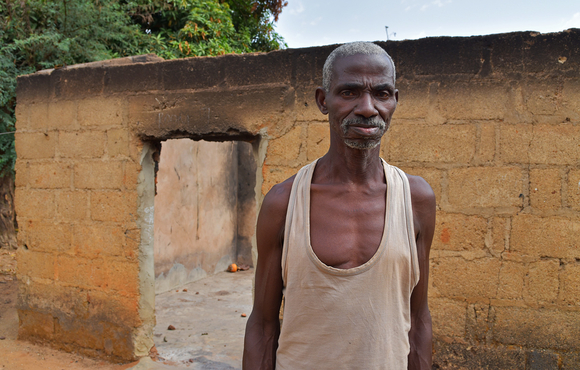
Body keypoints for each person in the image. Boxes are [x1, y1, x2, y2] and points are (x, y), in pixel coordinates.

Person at [243, 42, 435, 370]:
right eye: (349, 92)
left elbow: (417, 318)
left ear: (395, 101)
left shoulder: (416, 200)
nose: (367, 108)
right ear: (323, 100)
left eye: (382, 93)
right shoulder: (284, 203)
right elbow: (262, 324)